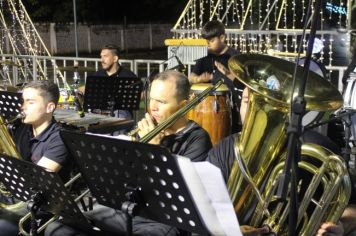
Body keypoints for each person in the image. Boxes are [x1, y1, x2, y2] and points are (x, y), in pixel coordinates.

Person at [44, 70, 213, 236]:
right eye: (151, 99)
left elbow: (182, 195)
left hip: (162, 220)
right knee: (58, 228)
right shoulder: (145, 128)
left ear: (182, 106)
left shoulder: (197, 138)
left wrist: (155, 151)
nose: (152, 107)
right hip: (127, 209)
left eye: (161, 101)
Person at [208, 87, 356, 235]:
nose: (257, 113)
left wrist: (341, 226)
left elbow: (352, 208)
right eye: (247, 102)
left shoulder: (319, 149)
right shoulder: (223, 151)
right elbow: (205, 210)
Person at [0, 80, 72, 235]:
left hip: (40, 207)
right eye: (23, 101)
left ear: (50, 107)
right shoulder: (21, 129)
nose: (22, 107)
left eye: (30, 102)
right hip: (14, 197)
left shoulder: (59, 139)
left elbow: (37, 181)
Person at [189, 20, 243, 133]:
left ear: (222, 38)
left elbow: (242, 83)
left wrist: (227, 73)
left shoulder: (235, 57)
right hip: (206, 108)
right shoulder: (205, 56)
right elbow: (191, 77)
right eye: (206, 42)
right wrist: (199, 79)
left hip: (232, 107)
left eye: (212, 41)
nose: (208, 44)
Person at [80, 44, 137, 120]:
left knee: (119, 116)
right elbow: (82, 89)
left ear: (115, 59)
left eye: (105, 56)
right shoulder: (98, 75)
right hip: (98, 113)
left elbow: (141, 94)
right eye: (101, 56)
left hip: (119, 112)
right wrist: (79, 94)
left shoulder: (127, 75)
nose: (102, 60)